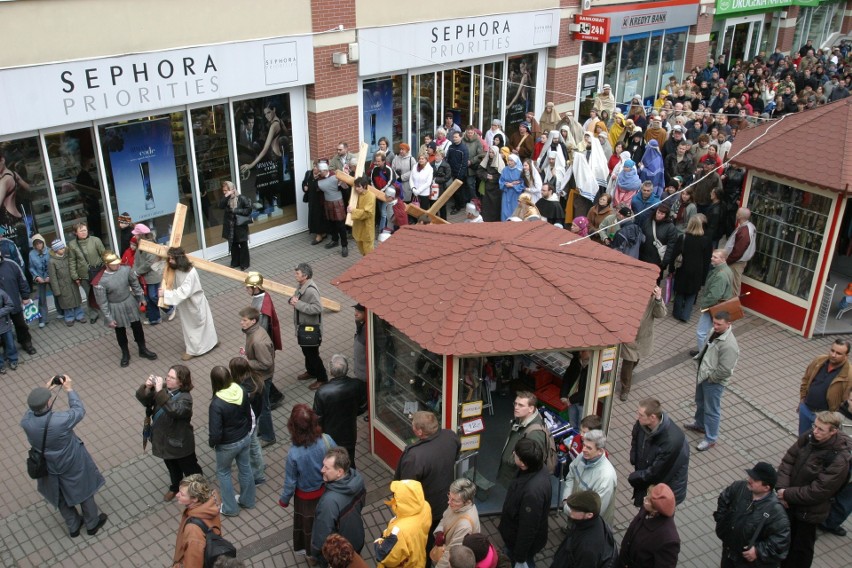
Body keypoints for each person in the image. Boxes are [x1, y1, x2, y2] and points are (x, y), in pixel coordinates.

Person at [20, 376, 108, 537]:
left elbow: (31, 411)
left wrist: (46, 390)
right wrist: (68, 389)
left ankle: (73, 526)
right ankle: (92, 524)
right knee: (84, 491)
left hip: (48, 466)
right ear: (48, 404)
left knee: (59, 496)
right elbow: (79, 410)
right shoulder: (59, 421)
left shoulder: (26, 422)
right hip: (72, 462)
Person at [777, 411, 852, 568]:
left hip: (809, 512)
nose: (815, 431)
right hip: (788, 502)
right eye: (815, 426)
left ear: (833, 431)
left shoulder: (839, 458)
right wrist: (782, 489)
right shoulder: (810, 437)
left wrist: (786, 494)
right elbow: (788, 460)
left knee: (800, 550)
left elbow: (818, 491)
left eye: (820, 429)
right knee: (782, 539)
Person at [394, 410, 461, 555]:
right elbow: (456, 456)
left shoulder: (415, 456)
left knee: (423, 543)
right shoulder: (450, 436)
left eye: (413, 425)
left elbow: (406, 489)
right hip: (446, 502)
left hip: (424, 510)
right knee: (437, 534)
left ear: (419, 432)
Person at [135, 364, 203, 502]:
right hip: (164, 441)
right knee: (172, 467)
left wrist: (160, 392)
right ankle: (175, 487)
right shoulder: (164, 389)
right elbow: (145, 400)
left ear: (181, 382)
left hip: (180, 443)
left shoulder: (185, 398)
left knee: (191, 469)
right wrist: (147, 387)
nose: (168, 379)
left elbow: (174, 411)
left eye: (172, 378)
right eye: (168, 376)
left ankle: (198, 490)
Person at [278, 404, 336, 557]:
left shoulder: (294, 454)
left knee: (309, 528)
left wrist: (284, 500)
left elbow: (290, 482)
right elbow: (339, 460)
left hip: (305, 500)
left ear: (293, 427)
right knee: (327, 523)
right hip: (328, 492)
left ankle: (312, 554)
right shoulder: (326, 440)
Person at [714, 462, 790, 568]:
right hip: (729, 553)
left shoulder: (776, 513)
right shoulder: (739, 487)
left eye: (755, 480)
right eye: (751, 476)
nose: (749, 480)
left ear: (766, 488)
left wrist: (758, 551)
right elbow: (724, 498)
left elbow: (780, 542)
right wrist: (722, 520)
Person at [685, 310, 739, 451]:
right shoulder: (713, 332)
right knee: (700, 402)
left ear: (728, 324)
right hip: (704, 375)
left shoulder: (729, 345)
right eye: (714, 322)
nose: (715, 326)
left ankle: (710, 439)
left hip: (713, 381)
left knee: (712, 410)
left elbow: (725, 370)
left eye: (719, 324)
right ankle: (700, 424)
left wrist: (711, 378)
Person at [94, 251, 158, 367]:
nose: (117, 265)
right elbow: (102, 302)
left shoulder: (125, 270)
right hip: (115, 306)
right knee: (120, 331)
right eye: (114, 264)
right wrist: (109, 318)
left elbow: (134, 283)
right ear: (107, 264)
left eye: (118, 263)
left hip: (129, 301)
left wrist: (141, 297)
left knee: (137, 326)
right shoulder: (100, 281)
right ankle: (125, 353)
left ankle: (142, 349)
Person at [207, 365, 255, 517]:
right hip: (244, 438)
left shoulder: (216, 404)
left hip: (227, 444)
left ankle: (230, 508)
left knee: (223, 473)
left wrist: (212, 443)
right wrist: (247, 431)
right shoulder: (241, 390)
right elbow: (248, 414)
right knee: (245, 468)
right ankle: (248, 500)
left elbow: (215, 432)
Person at [498, 438, 551, 568]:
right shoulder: (536, 468)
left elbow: (528, 528)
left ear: (522, 463)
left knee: (524, 563)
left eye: (515, 454)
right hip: (515, 536)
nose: (513, 454)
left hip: (519, 543)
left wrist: (520, 556)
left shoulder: (532, 493)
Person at [160, 247, 219, 361]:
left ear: (179, 259)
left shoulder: (190, 272)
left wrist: (166, 294)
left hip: (194, 303)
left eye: (172, 259)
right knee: (190, 327)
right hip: (186, 305)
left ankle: (197, 349)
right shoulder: (174, 268)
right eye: (169, 258)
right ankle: (199, 347)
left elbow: (183, 291)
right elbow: (162, 271)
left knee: (198, 326)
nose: (170, 261)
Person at [629, 398, 690, 506]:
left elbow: (656, 472)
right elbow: (636, 437)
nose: (637, 417)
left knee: (656, 515)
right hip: (649, 480)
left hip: (665, 489)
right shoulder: (642, 423)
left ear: (652, 417)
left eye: (641, 415)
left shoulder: (670, 441)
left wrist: (635, 477)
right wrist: (634, 455)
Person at [313, 447, 367, 567]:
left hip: (339, 552)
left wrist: (317, 553)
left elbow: (322, 533)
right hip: (357, 539)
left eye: (327, 468)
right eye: (323, 465)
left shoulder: (329, 502)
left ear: (340, 472)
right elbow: (362, 503)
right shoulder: (358, 479)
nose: (322, 470)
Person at [314, 354, 367, 468]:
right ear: (347, 369)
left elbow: (317, 418)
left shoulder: (322, 392)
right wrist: (354, 413)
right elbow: (364, 405)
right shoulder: (357, 385)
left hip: (330, 435)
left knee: (333, 463)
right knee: (349, 459)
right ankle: (351, 479)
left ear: (330, 371)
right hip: (349, 433)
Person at [244, 271, 284, 409]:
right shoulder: (262, 297)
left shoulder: (261, 307)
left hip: (260, 345)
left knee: (261, 373)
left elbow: (261, 329)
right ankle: (275, 395)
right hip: (258, 342)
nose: (246, 289)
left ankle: (274, 396)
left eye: (248, 287)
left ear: (256, 288)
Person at [618, 287, 666, 401]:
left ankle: (628, 376)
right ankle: (625, 388)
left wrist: (659, 299)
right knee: (628, 362)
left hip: (643, 337)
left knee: (636, 358)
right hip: (629, 336)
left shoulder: (654, 297)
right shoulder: (631, 293)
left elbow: (661, 314)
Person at [561, 430, 618, 524]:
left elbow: (596, 511)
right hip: (575, 514)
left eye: (589, 448)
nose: (583, 449)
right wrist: (566, 500)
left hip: (588, 525)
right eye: (584, 445)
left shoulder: (606, 477)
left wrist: (571, 510)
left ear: (600, 451)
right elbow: (571, 477)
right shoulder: (583, 456)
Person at [618, 483, 681, 567]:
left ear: (656, 510)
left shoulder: (669, 540)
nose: (644, 499)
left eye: (647, 500)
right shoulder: (647, 509)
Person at [551, 490, 617, 568]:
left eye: (574, 510)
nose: (570, 512)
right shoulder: (589, 521)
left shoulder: (588, 548)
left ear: (589, 515)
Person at [797, 340, 851, 435]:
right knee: (803, 437)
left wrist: (833, 417)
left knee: (820, 442)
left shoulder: (849, 374)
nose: (833, 355)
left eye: (838, 353)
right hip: (806, 408)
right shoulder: (819, 360)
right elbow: (806, 379)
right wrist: (802, 399)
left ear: (846, 356)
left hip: (825, 417)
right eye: (832, 350)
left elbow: (846, 399)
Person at [239, 306, 275, 446]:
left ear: (253, 321)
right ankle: (263, 431)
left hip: (262, 377)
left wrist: (247, 362)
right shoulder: (254, 332)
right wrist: (247, 353)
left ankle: (268, 436)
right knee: (260, 406)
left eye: (244, 320)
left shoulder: (257, 340)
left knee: (263, 407)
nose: (241, 323)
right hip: (260, 376)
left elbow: (266, 363)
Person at [374, 479, 431, 568]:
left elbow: (384, 556)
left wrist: (380, 541)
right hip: (418, 559)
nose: (393, 498)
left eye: (396, 495)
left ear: (404, 501)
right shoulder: (425, 506)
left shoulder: (399, 531)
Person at [290, 262, 329, 390]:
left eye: (297, 273)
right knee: (307, 352)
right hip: (304, 328)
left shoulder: (311, 290)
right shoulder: (302, 285)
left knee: (312, 355)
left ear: (305, 276)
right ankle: (311, 372)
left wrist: (298, 304)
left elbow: (318, 308)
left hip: (311, 330)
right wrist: (292, 300)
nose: (295, 275)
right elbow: (297, 299)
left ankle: (322, 378)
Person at [172, 474, 223, 568]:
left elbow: (193, 563)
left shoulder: (193, 529)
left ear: (195, 499)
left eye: (182, 494)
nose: (177, 495)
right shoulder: (209, 506)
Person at [497, 391, 547, 486]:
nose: (516, 407)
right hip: (512, 473)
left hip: (518, 479)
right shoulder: (521, 419)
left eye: (521, 405)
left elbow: (532, 463)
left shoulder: (535, 433)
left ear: (531, 409)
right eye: (515, 403)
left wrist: (511, 460)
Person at [229, 356, 266, 486]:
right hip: (257, 415)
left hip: (250, 420)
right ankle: (260, 466)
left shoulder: (244, 389)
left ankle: (258, 475)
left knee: (253, 447)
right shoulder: (256, 378)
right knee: (254, 444)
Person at [821, 387, 852, 536]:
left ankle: (831, 522)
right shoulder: (838, 418)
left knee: (846, 499)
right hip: (836, 465)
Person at [670, 214, 713, 322]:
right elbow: (707, 260)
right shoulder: (706, 241)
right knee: (692, 293)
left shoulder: (683, 238)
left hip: (682, 268)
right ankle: (685, 315)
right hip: (697, 270)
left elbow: (674, 255)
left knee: (679, 291)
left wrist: (671, 269)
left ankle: (677, 313)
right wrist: (703, 278)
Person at [692, 249, 733, 356]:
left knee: (701, 332)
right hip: (719, 307)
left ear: (723, 259)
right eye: (712, 256)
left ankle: (703, 355)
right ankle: (704, 351)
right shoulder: (727, 271)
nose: (712, 258)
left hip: (712, 307)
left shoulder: (720, 275)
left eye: (715, 257)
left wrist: (703, 305)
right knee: (711, 332)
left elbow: (714, 295)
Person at [431, 478, 480, 568]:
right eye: (449, 496)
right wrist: (439, 531)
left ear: (467, 502)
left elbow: (451, 554)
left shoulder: (465, 526)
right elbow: (445, 517)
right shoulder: (457, 505)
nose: (449, 502)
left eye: (454, 500)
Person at [68, 222, 104, 324]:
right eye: (81, 231)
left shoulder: (95, 240)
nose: (84, 232)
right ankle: (94, 314)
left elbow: (103, 254)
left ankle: (108, 311)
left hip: (97, 271)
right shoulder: (72, 245)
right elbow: (72, 261)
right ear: (75, 233)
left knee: (102, 292)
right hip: (84, 274)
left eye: (85, 230)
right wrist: (75, 276)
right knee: (89, 295)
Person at [47, 239, 85, 326]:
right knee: (66, 303)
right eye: (60, 249)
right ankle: (69, 317)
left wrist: (77, 279)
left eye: (63, 248)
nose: (63, 250)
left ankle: (79, 315)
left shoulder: (68, 256)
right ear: (56, 250)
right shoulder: (52, 261)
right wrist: (56, 290)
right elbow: (53, 277)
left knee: (76, 300)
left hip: (72, 283)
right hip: (62, 285)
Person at [317, 162, 349, 257]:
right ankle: (335, 240)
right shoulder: (319, 179)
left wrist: (341, 183)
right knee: (331, 223)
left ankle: (344, 245)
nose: (319, 173)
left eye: (320, 171)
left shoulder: (336, 176)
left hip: (338, 202)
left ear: (326, 170)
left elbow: (345, 188)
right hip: (328, 202)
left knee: (341, 225)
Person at [219, 181, 252, 271]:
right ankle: (235, 262)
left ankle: (245, 263)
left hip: (240, 226)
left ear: (232, 189)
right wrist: (226, 196)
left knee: (243, 244)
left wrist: (235, 211)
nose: (224, 192)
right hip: (231, 226)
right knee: (233, 244)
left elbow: (248, 210)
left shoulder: (241, 198)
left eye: (226, 190)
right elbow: (220, 206)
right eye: (223, 190)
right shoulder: (226, 200)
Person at [724, 207, 756, 296]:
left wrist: (727, 261)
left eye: (737, 213)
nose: (736, 214)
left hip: (736, 262)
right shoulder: (748, 227)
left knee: (734, 288)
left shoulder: (744, 231)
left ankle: (733, 309)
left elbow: (738, 252)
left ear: (740, 216)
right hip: (737, 261)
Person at [559, 350, 590, 427]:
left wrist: (570, 400)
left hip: (582, 403)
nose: (580, 353)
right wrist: (563, 395)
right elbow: (567, 377)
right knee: (572, 423)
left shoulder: (596, 368)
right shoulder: (576, 360)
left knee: (581, 426)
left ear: (590, 352)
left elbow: (588, 390)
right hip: (570, 399)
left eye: (583, 351)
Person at [348, 176, 376, 256]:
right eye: (355, 186)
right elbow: (351, 205)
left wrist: (353, 210)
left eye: (358, 187)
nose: (356, 189)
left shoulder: (371, 196)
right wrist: (349, 208)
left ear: (364, 186)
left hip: (367, 227)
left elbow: (367, 213)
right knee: (361, 251)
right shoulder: (355, 195)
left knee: (369, 252)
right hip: (357, 227)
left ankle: (370, 267)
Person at [304, 162, 330, 246]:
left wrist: (316, 180)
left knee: (319, 217)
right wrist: (304, 186)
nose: (314, 168)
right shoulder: (308, 173)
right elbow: (304, 182)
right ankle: (321, 233)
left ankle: (319, 235)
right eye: (314, 166)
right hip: (312, 200)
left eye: (316, 167)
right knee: (313, 216)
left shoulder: (321, 177)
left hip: (319, 200)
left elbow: (321, 187)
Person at [28, 234, 50, 328]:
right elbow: (31, 267)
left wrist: (49, 275)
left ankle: (62, 312)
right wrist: (36, 277)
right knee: (42, 299)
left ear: (43, 242)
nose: (38, 245)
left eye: (40, 243)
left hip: (50, 276)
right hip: (40, 278)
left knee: (57, 294)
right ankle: (43, 319)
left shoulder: (49, 251)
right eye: (36, 244)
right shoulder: (31, 254)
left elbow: (52, 264)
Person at [498, 154, 524, 222]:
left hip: (516, 194)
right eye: (508, 160)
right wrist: (506, 184)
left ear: (515, 162)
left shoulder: (520, 171)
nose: (509, 162)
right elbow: (501, 181)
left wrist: (513, 185)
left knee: (515, 210)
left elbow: (523, 183)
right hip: (506, 193)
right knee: (505, 211)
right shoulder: (505, 169)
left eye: (511, 161)